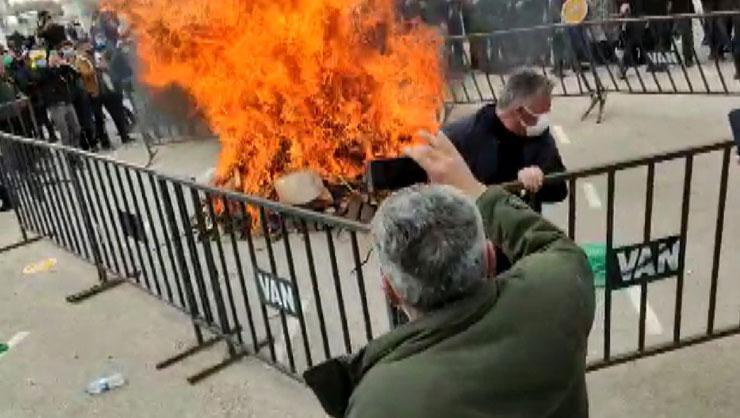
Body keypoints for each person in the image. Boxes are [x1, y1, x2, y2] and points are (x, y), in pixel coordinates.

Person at [304, 129, 595, 418]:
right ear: (491, 258)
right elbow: (556, 246)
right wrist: (477, 191)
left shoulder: (379, 400)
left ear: (390, 289)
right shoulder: (559, 296)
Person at [443, 69, 568, 214]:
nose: (544, 118)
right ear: (519, 111)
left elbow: (560, 189)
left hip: (521, 229)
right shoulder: (463, 136)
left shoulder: (540, 137)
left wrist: (540, 179)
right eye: (540, 113)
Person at [37, 51, 82, 147]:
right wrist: (50, 65)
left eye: (57, 56)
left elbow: (77, 74)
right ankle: (71, 157)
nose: (56, 58)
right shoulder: (44, 69)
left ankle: (76, 149)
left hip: (67, 101)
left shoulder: (62, 69)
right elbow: (41, 78)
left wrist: (67, 65)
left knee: (76, 128)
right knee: (65, 132)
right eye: (53, 56)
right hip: (55, 105)